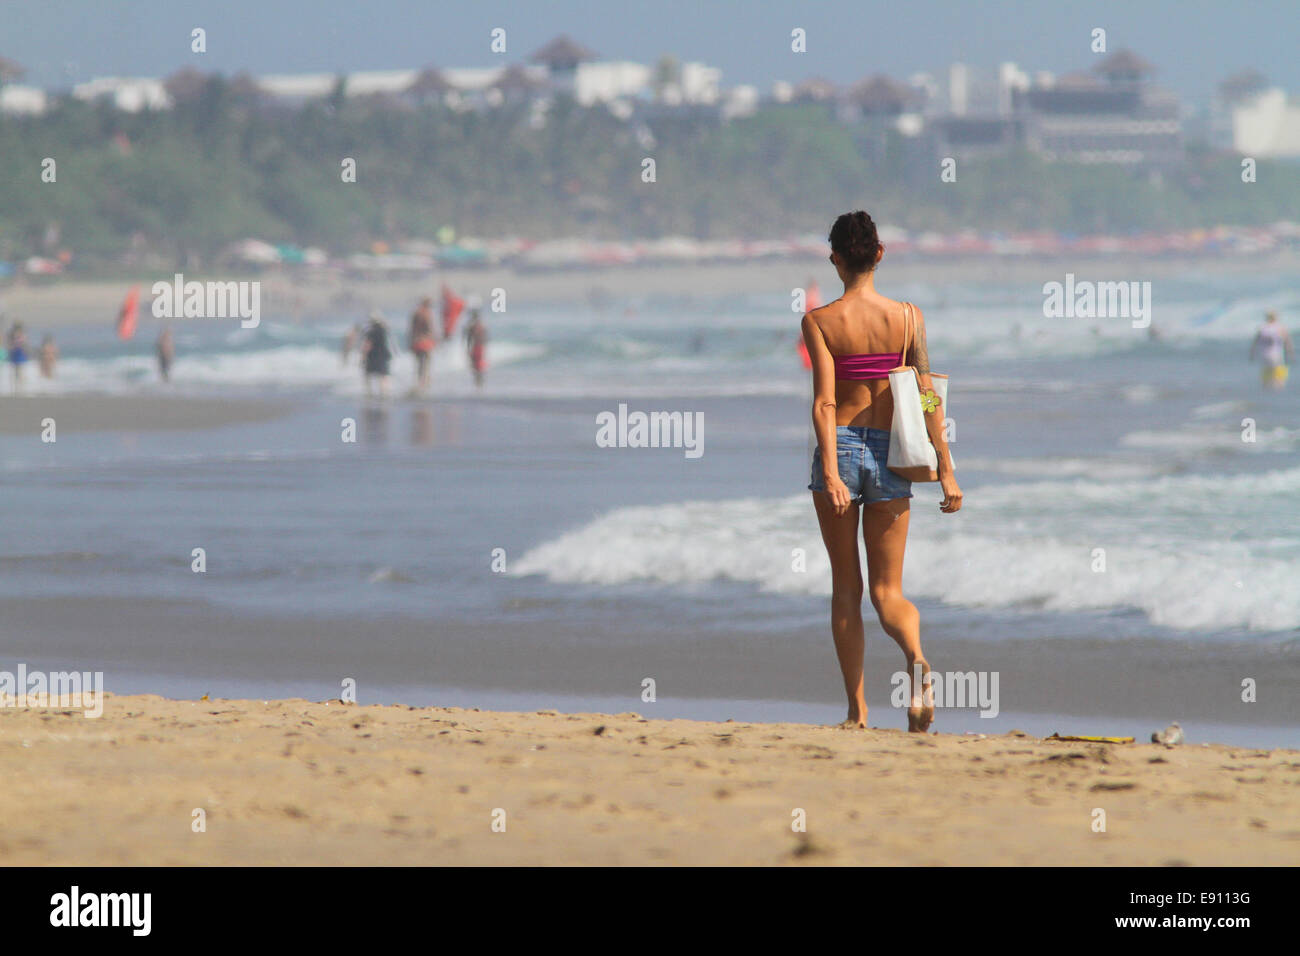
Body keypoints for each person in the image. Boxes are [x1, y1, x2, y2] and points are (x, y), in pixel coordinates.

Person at [802, 210, 962, 732]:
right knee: (888, 592)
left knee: (846, 587)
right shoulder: (909, 317)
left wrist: (829, 470)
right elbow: (926, 392)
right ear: (879, 254)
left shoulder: (821, 321)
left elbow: (825, 404)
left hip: (843, 449)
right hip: (895, 450)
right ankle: (916, 657)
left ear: (835, 259)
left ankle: (857, 711)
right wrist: (946, 467)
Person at [1250, 311, 1294, 389]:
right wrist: (1290, 353)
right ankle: (1278, 389)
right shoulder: (1279, 327)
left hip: (1263, 354)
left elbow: (1255, 342)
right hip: (1276, 353)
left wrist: (1252, 354)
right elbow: (1287, 342)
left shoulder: (1262, 328)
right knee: (1279, 372)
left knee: (1267, 371)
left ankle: (1266, 389)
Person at [361, 311, 393, 398]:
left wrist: (363, 357)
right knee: (384, 376)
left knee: (368, 376)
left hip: (374, 356)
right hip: (384, 355)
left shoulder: (371, 331)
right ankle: (385, 394)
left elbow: (367, 345)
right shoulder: (384, 330)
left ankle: (369, 393)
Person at [409, 297, 436, 392]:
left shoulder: (416, 313)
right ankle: (424, 385)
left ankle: (418, 383)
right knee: (426, 364)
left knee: (419, 364)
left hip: (416, 341)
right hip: (426, 342)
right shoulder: (427, 314)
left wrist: (411, 342)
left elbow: (411, 330)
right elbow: (430, 328)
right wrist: (435, 339)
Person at [463, 308, 488, 388]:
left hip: (475, 346)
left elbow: (468, 339)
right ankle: (479, 382)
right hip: (480, 346)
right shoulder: (481, 325)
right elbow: (486, 337)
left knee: (475, 365)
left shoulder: (471, 326)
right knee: (479, 365)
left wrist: (467, 348)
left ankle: (478, 382)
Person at [7, 322, 31, 392]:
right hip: (15, 356)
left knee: (21, 373)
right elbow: (10, 345)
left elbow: (25, 346)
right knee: (15, 373)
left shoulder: (22, 335)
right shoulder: (12, 336)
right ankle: (15, 388)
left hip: (20, 356)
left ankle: (21, 389)